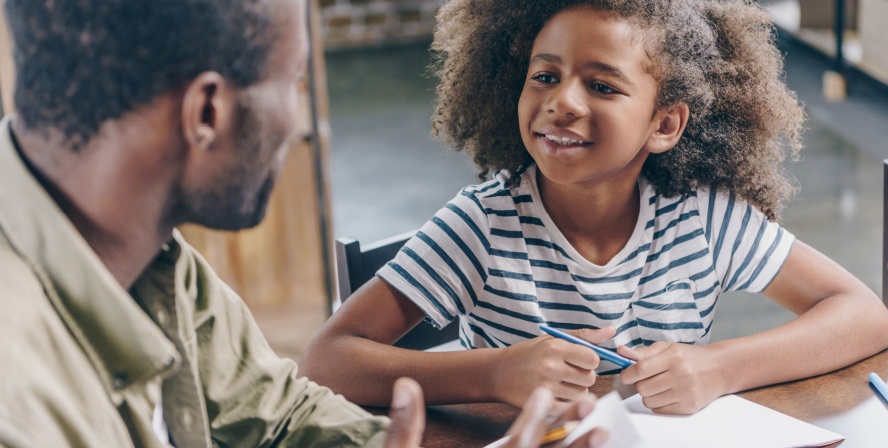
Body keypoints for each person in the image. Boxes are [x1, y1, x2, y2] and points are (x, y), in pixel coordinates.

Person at [0, 0, 607, 446]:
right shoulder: (20, 399)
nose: (296, 122)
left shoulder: (153, 261)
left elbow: (278, 416)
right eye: (291, 81)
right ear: (207, 111)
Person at [301, 0, 888, 416]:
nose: (561, 102)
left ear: (664, 123)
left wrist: (719, 367)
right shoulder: (482, 225)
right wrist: (494, 373)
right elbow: (327, 361)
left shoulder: (703, 219)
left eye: (603, 85)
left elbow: (865, 317)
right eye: (544, 76)